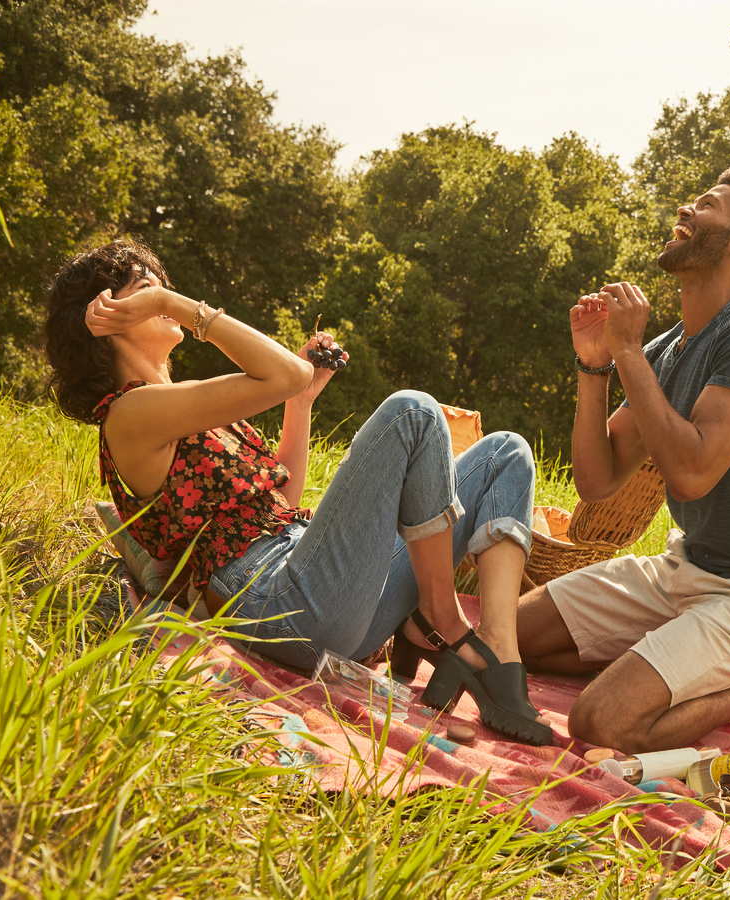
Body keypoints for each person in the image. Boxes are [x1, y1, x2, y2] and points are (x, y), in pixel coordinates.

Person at [44, 239, 551, 746]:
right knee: (412, 413)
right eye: (147, 291)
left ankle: (495, 643)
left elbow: (281, 501)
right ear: (109, 316)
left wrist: (302, 403)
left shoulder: (186, 405)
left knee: (504, 453)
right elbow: (285, 372)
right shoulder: (127, 415)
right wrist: (176, 306)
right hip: (276, 603)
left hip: (321, 590)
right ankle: (446, 623)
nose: (166, 295)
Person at [516, 168, 730, 754]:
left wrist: (624, 349)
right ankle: (673, 660)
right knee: (507, 636)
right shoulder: (666, 352)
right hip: (684, 571)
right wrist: (595, 366)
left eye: (708, 205)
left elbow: (692, 474)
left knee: (602, 723)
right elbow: (596, 483)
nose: (687, 209)